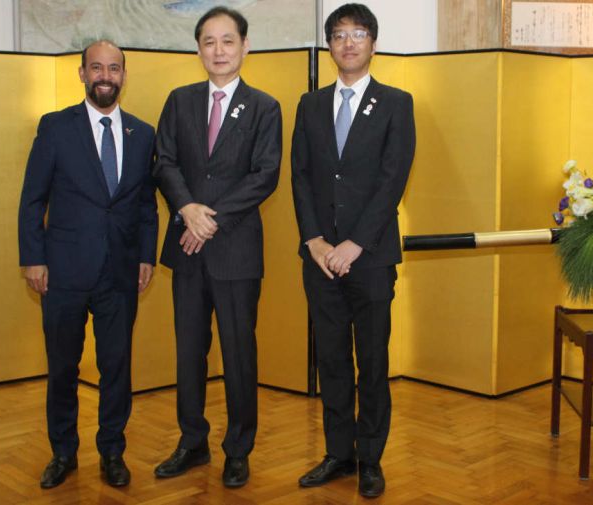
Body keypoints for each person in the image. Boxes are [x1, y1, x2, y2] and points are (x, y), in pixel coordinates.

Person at [17, 40, 158, 489]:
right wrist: (33, 258)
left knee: (117, 366)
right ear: (81, 74)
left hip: (120, 272)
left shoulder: (143, 134)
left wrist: (145, 257)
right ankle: (63, 453)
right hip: (62, 273)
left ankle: (112, 452)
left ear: (123, 75)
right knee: (63, 367)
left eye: (113, 68)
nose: (105, 76)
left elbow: (146, 207)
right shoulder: (56, 127)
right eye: (96, 67)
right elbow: (32, 200)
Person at [151, 6, 282, 489]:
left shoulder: (265, 106)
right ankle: (192, 441)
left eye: (228, 41)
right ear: (198, 49)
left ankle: (238, 448)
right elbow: (164, 162)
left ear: (245, 47)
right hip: (187, 247)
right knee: (190, 351)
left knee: (238, 353)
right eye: (209, 41)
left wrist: (209, 220)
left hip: (235, 251)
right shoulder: (180, 100)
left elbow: (264, 175)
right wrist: (188, 210)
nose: (219, 50)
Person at [291, 3, 415, 499]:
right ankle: (338, 454)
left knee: (372, 361)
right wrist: (316, 240)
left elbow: (393, 179)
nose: (348, 43)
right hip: (320, 258)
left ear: (373, 43)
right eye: (339, 35)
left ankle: (370, 459)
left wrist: (355, 243)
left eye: (358, 34)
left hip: (371, 257)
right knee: (333, 361)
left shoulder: (395, 102)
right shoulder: (310, 104)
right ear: (329, 46)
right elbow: (300, 176)